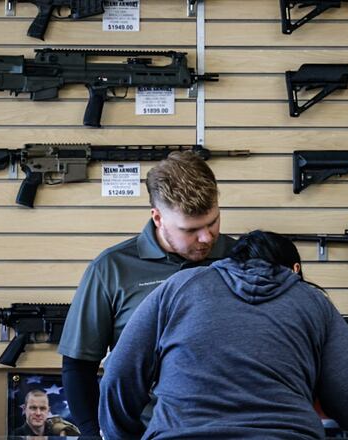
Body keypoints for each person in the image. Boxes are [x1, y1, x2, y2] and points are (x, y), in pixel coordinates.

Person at [99, 230, 348, 439]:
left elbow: (119, 375)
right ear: (295, 269)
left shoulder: (179, 287)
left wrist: (124, 437)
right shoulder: (312, 302)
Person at [58, 151, 236, 435]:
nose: (206, 238)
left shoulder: (244, 260)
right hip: (145, 431)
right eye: (190, 229)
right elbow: (78, 366)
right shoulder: (111, 269)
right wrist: (92, 433)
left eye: (213, 222)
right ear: (158, 218)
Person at [13, 390, 79, 437]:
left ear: (48, 411)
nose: (38, 413)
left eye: (42, 408)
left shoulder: (58, 434)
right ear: (24, 409)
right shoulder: (14, 435)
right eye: (33, 408)